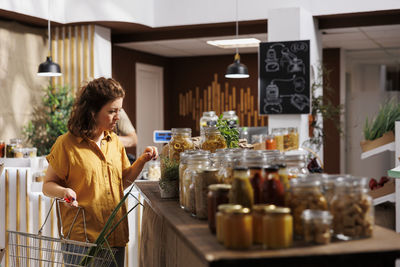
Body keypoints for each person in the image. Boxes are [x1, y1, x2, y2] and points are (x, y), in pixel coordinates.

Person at [42, 77, 158, 267]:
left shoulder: (114, 142)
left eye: (119, 110)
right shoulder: (66, 144)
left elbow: (123, 182)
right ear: (92, 112)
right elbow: (47, 186)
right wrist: (64, 192)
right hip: (82, 241)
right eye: (112, 111)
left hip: (114, 236)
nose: (118, 117)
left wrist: (142, 160)